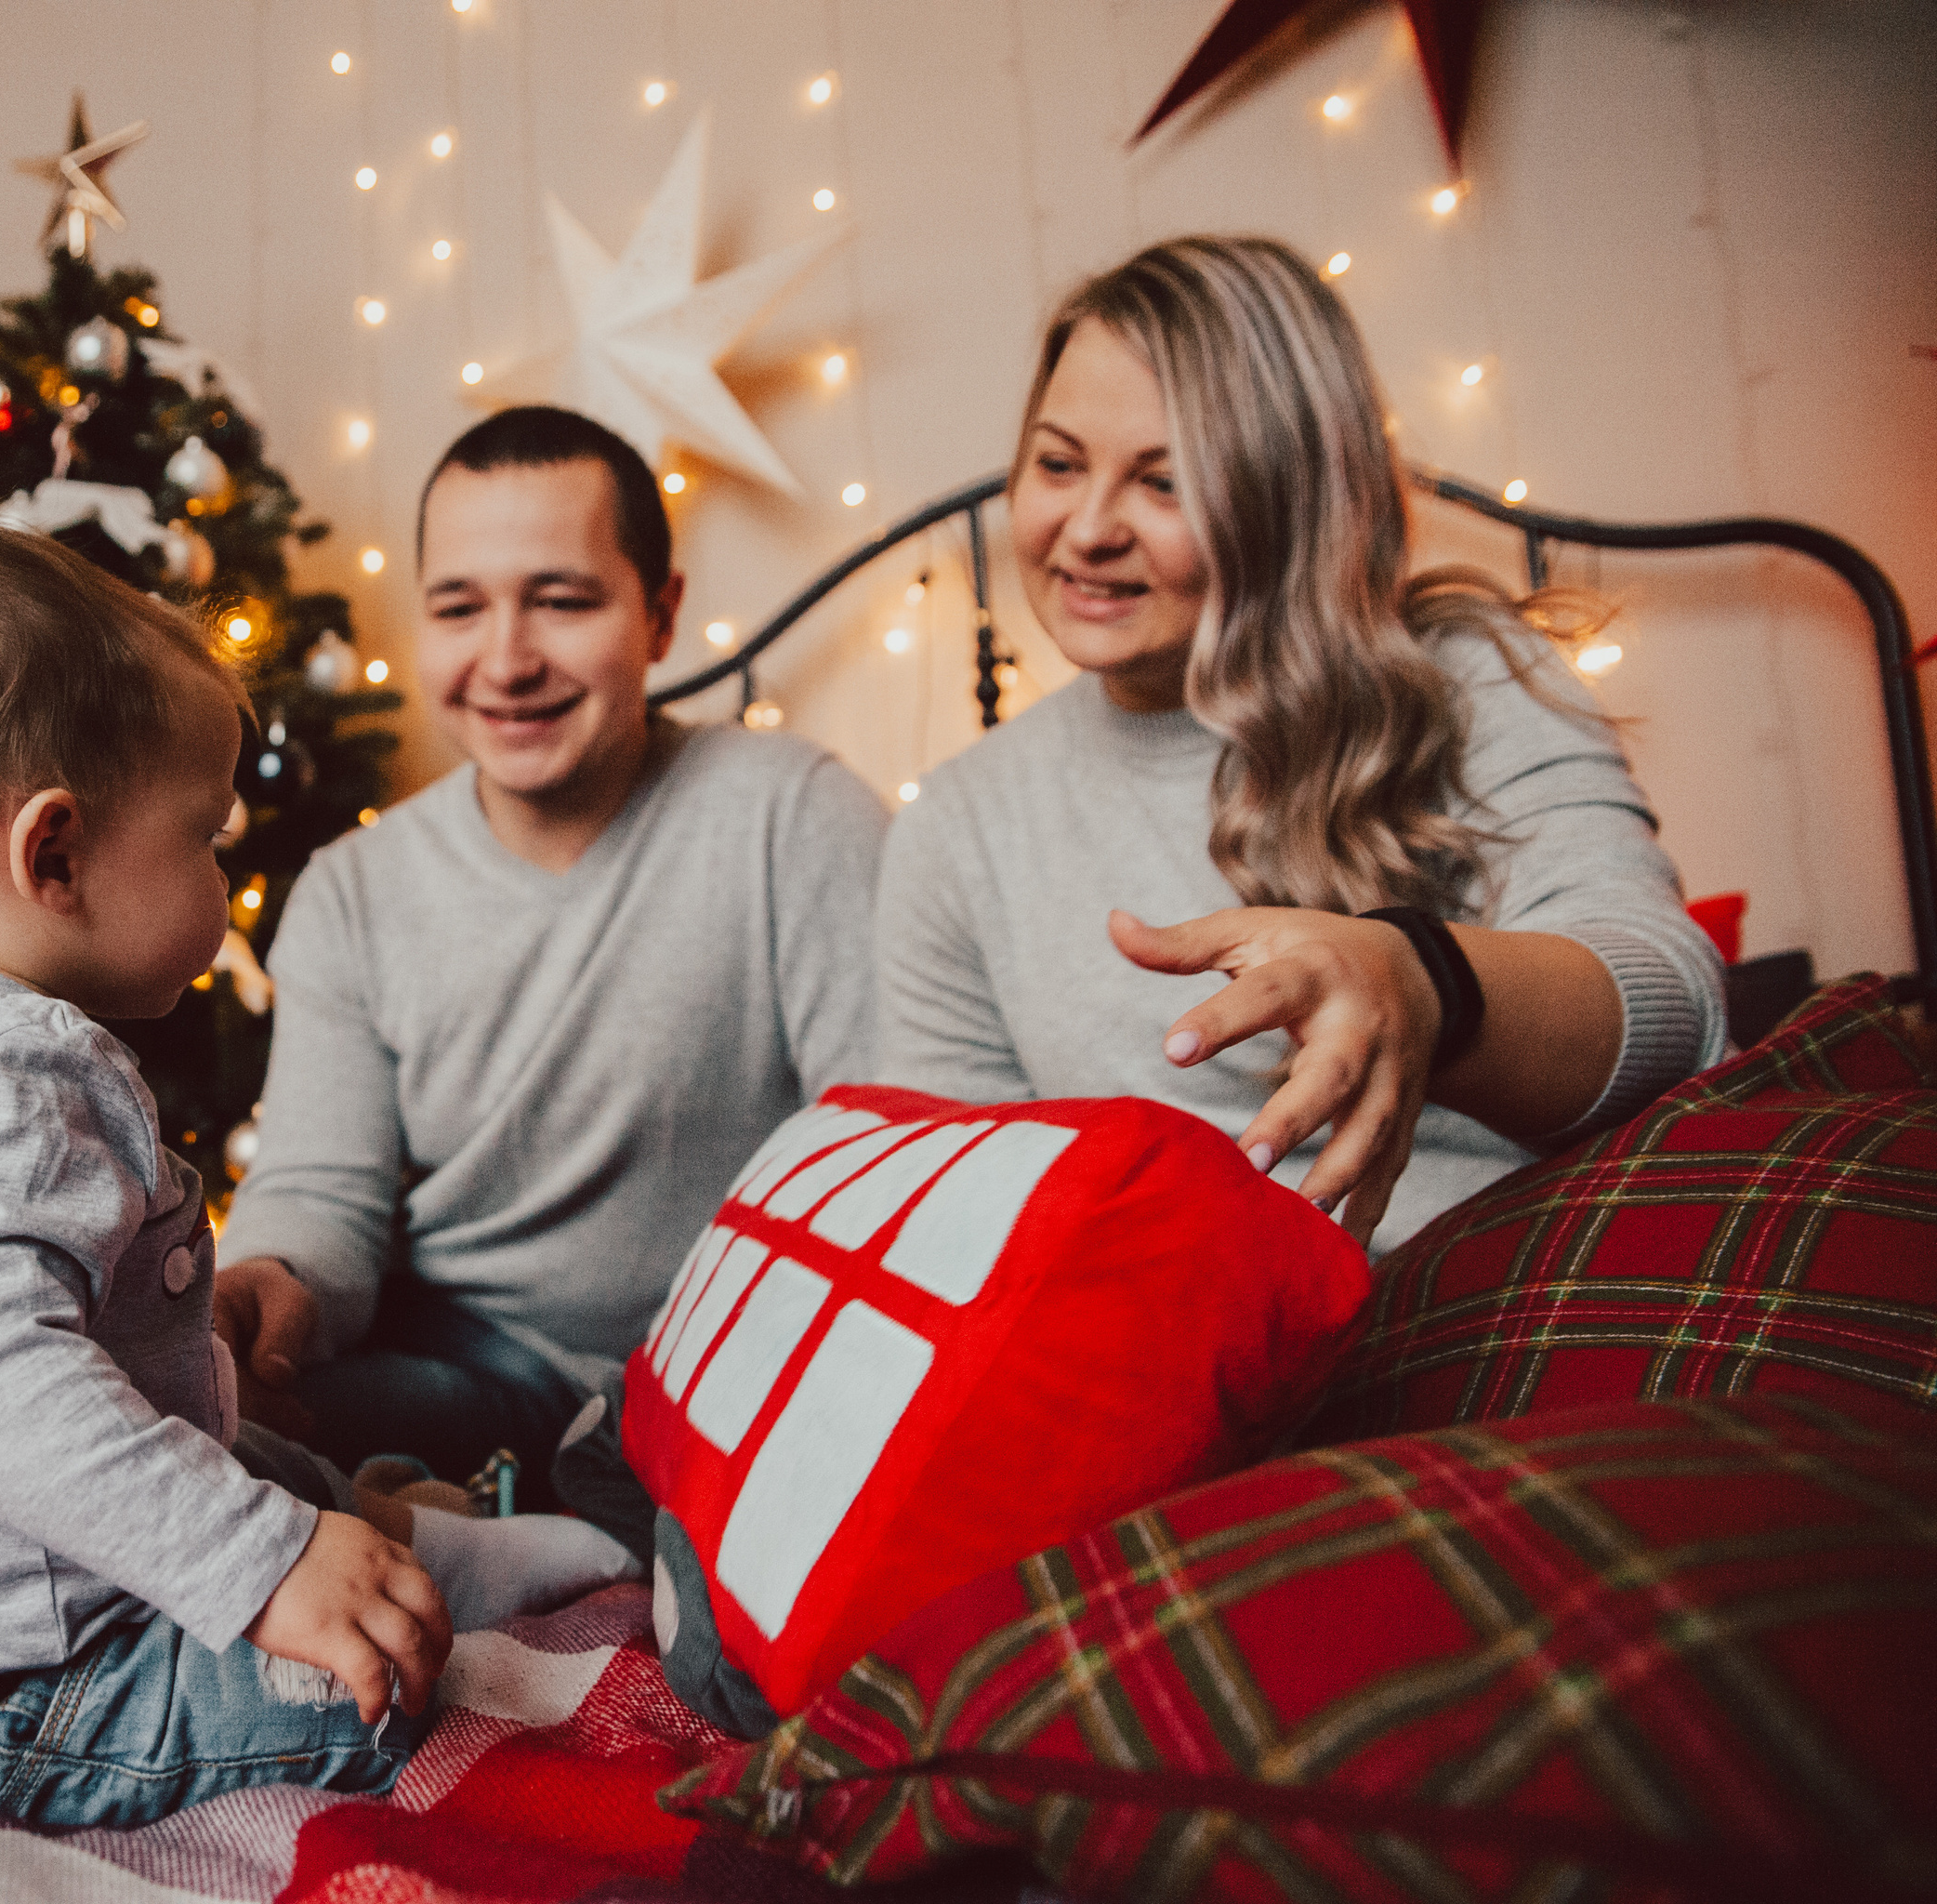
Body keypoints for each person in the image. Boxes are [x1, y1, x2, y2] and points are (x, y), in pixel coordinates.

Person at [0, 525, 636, 1829]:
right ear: (54, 854)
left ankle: (433, 1545)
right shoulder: (14, 1076)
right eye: (205, 836)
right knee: (373, 1688)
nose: (221, 874)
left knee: (237, 1438)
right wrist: (259, 1565)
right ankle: (409, 1575)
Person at [876, 236, 1726, 1250]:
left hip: (1514, 1286)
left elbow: (1677, 1009)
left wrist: (1420, 980)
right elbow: (960, 1210)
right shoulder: (956, 826)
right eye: (1058, 464)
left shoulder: (1460, 675)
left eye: (1165, 482)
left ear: (1286, 493)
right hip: (1195, 1333)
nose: (1089, 528)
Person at [214, 407, 890, 1501]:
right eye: (458, 608)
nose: (506, 660)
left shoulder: (791, 815)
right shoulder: (353, 889)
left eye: (563, 601)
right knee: (213, 1448)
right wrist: (268, 1281)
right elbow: (318, 1191)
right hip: (468, 1363)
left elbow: (892, 1152)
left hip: (733, 1370)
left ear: (660, 615)